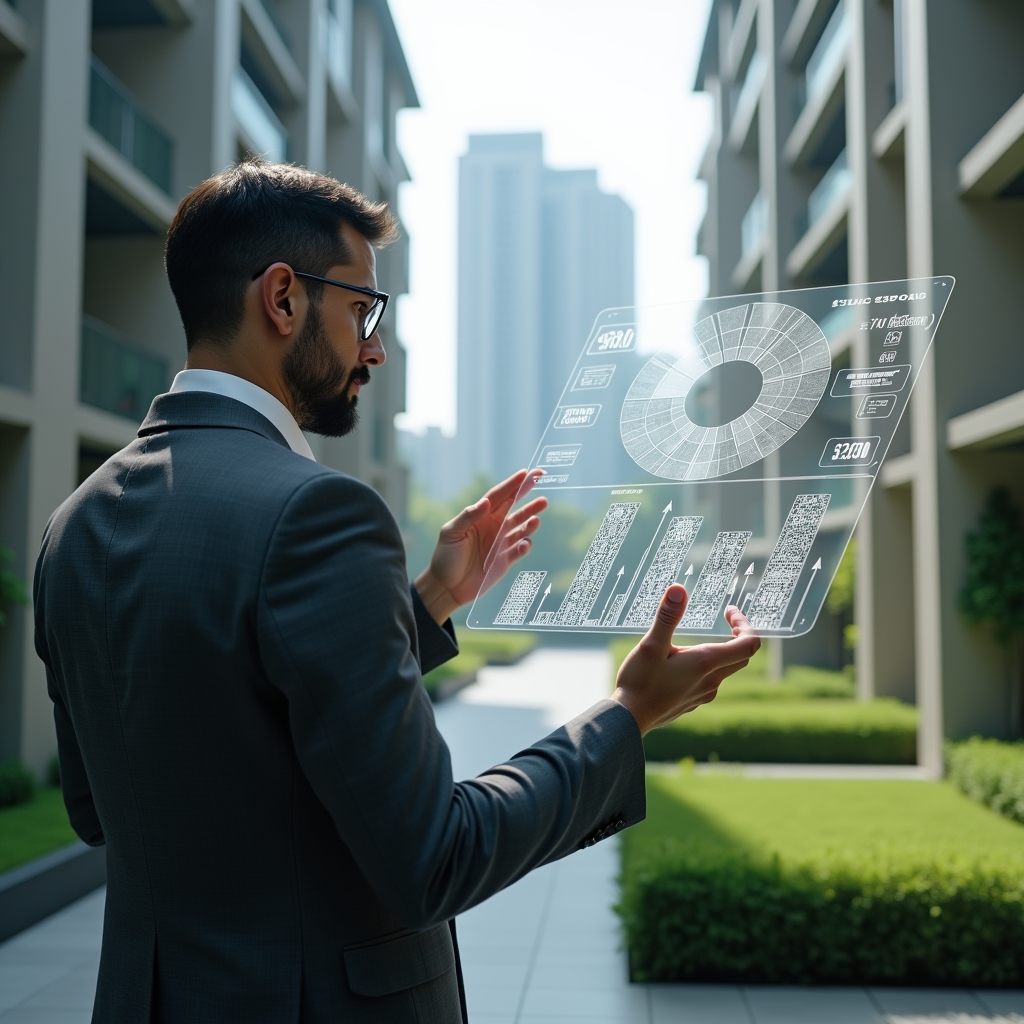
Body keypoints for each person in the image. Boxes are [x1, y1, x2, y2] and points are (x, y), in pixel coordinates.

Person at [33, 161, 759, 1024]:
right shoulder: (318, 512)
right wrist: (625, 717)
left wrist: (422, 607)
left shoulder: (72, 525)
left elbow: (107, 802)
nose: (374, 347)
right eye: (362, 309)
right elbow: (434, 859)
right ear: (282, 299)